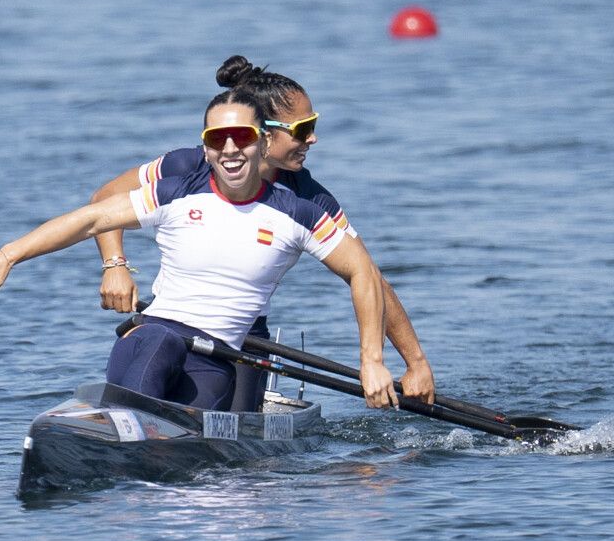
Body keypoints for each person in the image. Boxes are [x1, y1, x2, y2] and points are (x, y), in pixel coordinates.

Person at [0, 87, 399, 412]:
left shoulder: (299, 211)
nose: (230, 149)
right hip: (151, 338)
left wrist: (372, 362)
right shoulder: (174, 192)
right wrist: (8, 254)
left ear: (262, 142)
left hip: (218, 359)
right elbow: (89, 218)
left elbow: (363, 273)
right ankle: (125, 432)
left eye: (241, 137)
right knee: (158, 340)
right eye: (215, 140)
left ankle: (140, 434)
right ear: (204, 149)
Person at [89, 56, 436, 406]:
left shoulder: (308, 198)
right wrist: (115, 265)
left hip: (242, 336)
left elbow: (368, 275)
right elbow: (106, 197)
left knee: (237, 448)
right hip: (170, 325)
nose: (312, 139)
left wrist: (415, 363)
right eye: (302, 129)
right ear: (266, 135)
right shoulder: (194, 164)